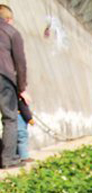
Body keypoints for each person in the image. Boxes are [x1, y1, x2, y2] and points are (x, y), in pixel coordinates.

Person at [0, 4, 29, 168]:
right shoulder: (12, 32)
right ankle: (8, 159)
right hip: (3, 78)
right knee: (10, 118)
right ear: (9, 19)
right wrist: (21, 88)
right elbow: (20, 63)